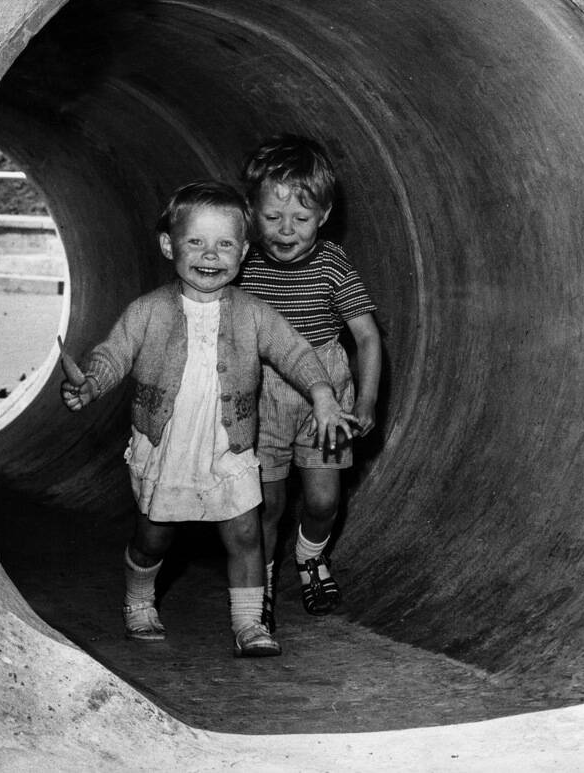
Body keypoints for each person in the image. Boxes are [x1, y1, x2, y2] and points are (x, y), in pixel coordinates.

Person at [59, 180, 355, 658]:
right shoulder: (148, 311)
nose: (210, 255)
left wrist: (322, 394)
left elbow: (296, 352)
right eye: (196, 242)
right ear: (168, 245)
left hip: (228, 445)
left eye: (224, 244)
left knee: (245, 533)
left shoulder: (254, 313)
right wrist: (89, 384)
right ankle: (138, 600)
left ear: (243, 252)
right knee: (153, 538)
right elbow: (113, 355)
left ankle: (249, 625)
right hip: (169, 445)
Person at [238, 135, 382, 629]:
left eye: (300, 219)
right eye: (273, 217)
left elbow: (366, 337)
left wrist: (365, 402)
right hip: (262, 395)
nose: (286, 230)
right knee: (266, 503)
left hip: (326, 394)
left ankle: (310, 556)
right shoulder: (243, 265)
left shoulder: (331, 263)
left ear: (322, 216)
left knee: (323, 500)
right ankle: (261, 581)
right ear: (252, 214)